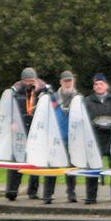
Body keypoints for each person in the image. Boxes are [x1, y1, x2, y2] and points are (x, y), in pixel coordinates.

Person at [5, 67, 47, 201]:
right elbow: (6, 108)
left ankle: (33, 191)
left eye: (32, 80)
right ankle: (12, 190)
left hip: (35, 129)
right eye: (27, 81)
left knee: (35, 160)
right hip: (20, 129)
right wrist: (12, 122)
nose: (29, 83)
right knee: (17, 160)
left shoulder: (43, 91)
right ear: (23, 80)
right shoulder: (15, 91)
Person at [84, 73, 111, 204]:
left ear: (106, 85)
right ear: (93, 87)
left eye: (101, 83)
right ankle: (91, 195)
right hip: (95, 138)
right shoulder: (87, 101)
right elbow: (84, 120)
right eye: (96, 84)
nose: (98, 86)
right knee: (93, 167)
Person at [42, 70, 79, 204]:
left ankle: (71, 193)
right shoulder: (52, 98)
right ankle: (47, 194)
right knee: (52, 167)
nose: (68, 83)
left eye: (70, 81)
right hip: (55, 138)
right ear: (61, 82)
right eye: (65, 81)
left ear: (73, 82)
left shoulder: (78, 98)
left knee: (71, 167)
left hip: (72, 138)